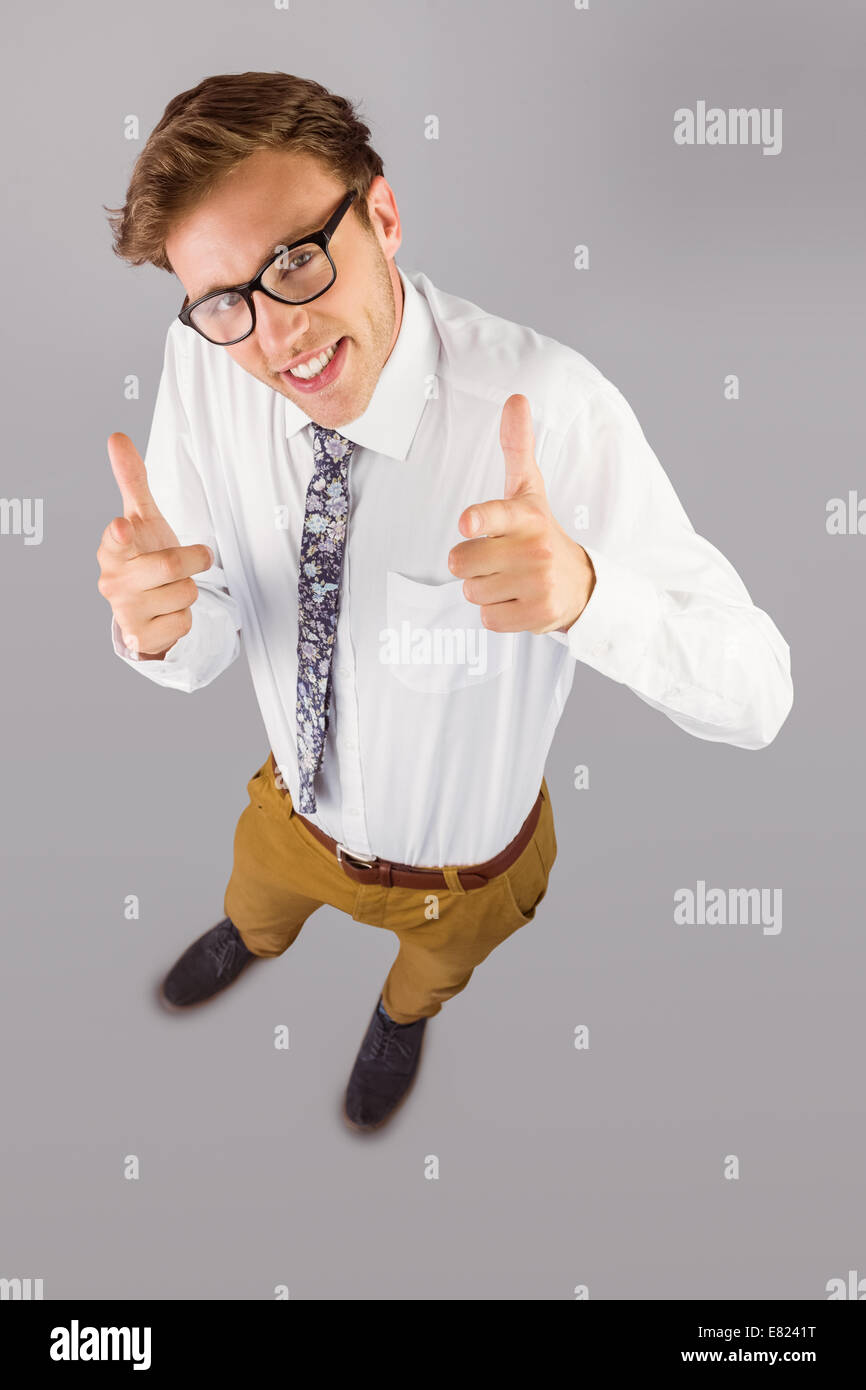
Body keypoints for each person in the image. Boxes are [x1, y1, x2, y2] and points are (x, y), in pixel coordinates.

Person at [97, 71, 793, 1133]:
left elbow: (758, 697)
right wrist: (157, 627)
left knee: (429, 969)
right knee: (257, 898)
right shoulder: (206, 359)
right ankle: (254, 935)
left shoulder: (550, 411)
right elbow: (209, 630)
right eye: (227, 301)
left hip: (464, 876)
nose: (274, 336)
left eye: (294, 258)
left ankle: (402, 1015)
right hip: (293, 817)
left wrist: (587, 598)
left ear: (381, 213)